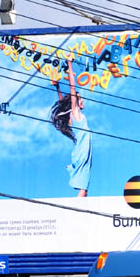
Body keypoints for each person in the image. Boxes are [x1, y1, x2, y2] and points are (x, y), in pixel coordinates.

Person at [50, 54, 92, 197]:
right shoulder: (75, 113)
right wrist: (69, 64)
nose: (83, 101)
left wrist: (58, 89)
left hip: (80, 151)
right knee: (84, 188)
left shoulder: (70, 115)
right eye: (81, 99)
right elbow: (73, 89)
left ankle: (77, 209)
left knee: (84, 187)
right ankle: (74, 211)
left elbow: (63, 103)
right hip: (82, 150)